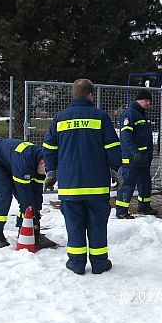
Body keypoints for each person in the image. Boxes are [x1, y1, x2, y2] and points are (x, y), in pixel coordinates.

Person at [43, 79, 122, 275]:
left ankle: (76, 263)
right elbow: (112, 147)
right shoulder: (101, 117)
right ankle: (99, 263)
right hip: (96, 185)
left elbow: (49, 148)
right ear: (91, 95)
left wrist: (51, 172)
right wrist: (115, 169)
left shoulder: (60, 118)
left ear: (74, 95)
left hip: (70, 185)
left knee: (74, 224)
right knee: (97, 224)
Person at [0, 138, 56, 249]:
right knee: (4, 192)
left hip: (10, 161)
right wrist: (29, 222)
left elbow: (36, 193)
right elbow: (24, 196)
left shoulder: (44, 166)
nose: (46, 176)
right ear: (42, 163)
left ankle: (24, 229)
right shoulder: (25, 161)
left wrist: (36, 219)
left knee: (31, 200)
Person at [115, 89, 158, 219]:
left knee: (145, 183)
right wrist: (134, 151)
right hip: (132, 158)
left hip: (143, 159)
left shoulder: (142, 115)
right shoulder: (130, 114)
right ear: (139, 100)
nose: (149, 103)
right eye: (147, 100)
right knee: (127, 184)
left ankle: (144, 206)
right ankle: (121, 211)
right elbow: (126, 136)